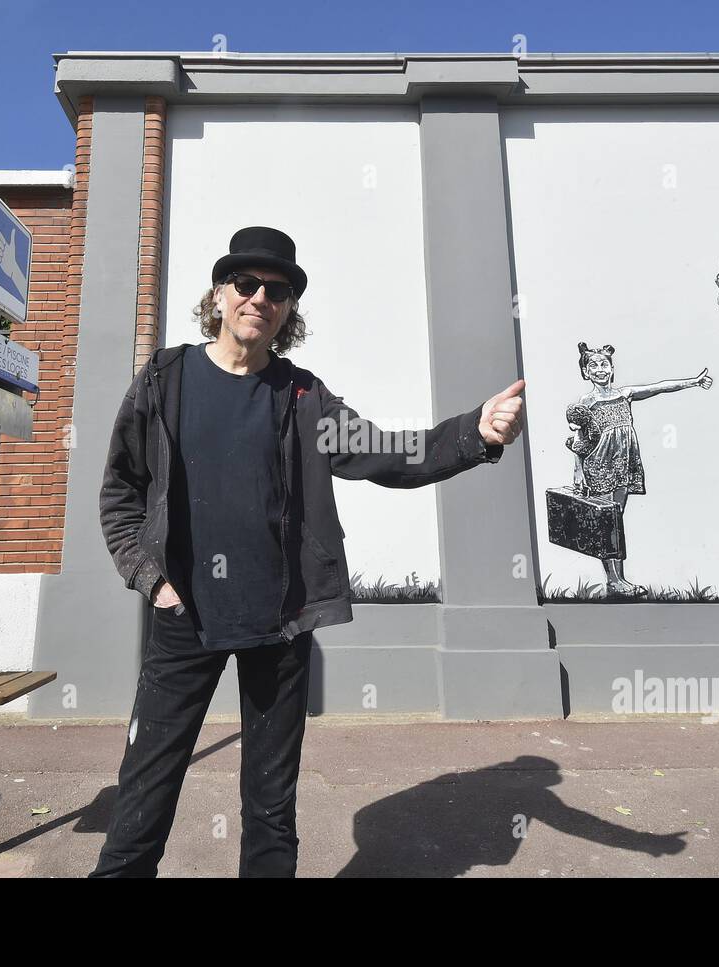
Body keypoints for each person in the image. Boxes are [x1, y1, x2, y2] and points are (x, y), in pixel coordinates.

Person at [91, 226, 526, 877]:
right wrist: (153, 581)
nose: (260, 297)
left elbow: (384, 452)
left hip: (280, 624)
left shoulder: (303, 395)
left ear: (288, 309)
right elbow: (119, 490)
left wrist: (473, 433)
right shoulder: (165, 380)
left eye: (279, 289)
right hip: (184, 620)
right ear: (219, 294)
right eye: (247, 283)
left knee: (270, 809)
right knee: (144, 796)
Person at [565, 343, 712, 597]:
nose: (600, 370)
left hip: (624, 462)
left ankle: (619, 579)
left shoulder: (626, 393)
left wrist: (694, 382)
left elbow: (660, 386)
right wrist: (578, 471)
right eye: (593, 366)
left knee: (616, 520)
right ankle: (613, 579)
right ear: (585, 372)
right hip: (599, 464)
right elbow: (578, 442)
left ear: (612, 368)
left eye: (604, 364)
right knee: (606, 521)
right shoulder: (585, 403)